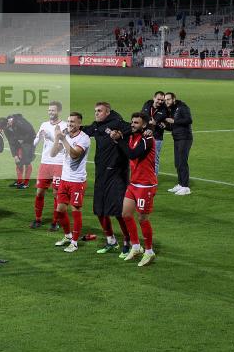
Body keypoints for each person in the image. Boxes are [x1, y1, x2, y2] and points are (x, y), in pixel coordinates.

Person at [83, 102, 132, 255]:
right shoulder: (98, 125)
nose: (96, 113)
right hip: (101, 173)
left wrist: (121, 134)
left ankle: (128, 241)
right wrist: (71, 127)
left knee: (118, 210)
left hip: (117, 173)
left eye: (99, 111)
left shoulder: (118, 123)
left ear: (108, 112)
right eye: (95, 111)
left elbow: (133, 128)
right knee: (99, 209)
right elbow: (87, 130)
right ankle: (111, 240)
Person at [111, 112, 158, 267]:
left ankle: (149, 251)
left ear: (143, 125)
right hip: (134, 183)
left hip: (146, 184)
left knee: (142, 218)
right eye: (132, 122)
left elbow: (132, 154)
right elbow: (122, 134)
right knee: (126, 214)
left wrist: (119, 140)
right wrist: (117, 135)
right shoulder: (131, 136)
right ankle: (136, 246)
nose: (132, 125)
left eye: (136, 123)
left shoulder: (148, 138)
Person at [51, 112, 91, 253]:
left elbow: (74, 155)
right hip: (64, 179)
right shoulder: (66, 135)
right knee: (60, 210)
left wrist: (64, 139)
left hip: (77, 180)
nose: (69, 124)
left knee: (76, 211)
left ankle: (74, 243)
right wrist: (58, 139)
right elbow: (53, 153)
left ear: (79, 123)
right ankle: (68, 236)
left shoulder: (84, 138)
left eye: (73, 122)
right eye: (68, 121)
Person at [31, 101, 68, 229]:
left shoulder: (64, 126)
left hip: (58, 163)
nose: (50, 112)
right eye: (49, 110)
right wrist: (40, 137)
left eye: (53, 110)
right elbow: (35, 142)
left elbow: (62, 144)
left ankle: (55, 222)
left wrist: (50, 137)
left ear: (59, 111)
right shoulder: (44, 124)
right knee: (40, 192)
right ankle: (37, 219)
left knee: (56, 194)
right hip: (45, 163)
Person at [164, 92, 193, 195]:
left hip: (185, 138)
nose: (166, 101)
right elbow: (173, 125)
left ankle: (186, 187)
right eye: (165, 100)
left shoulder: (182, 107)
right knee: (177, 162)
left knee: (182, 162)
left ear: (174, 99)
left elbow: (189, 120)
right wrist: (165, 126)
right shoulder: (172, 109)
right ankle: (180, 184)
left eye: (168, 99)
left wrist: (174, 121)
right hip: (177, 138)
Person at [0, 113, 36, 189]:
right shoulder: (6, 128)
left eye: (5, 127)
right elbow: (10, 141)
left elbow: (31, 132)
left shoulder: (19, 122)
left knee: (26, 161)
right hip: (18, 141)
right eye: (3, 129)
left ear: (8, 122)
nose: (5, 129)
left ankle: (26, 183)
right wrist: (15, 155)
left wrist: (23, 140)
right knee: (18, 161)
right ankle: (19, 181)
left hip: (28, 140)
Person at [140, 91, 169, 174]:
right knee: (142, 158)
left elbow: (155, 120)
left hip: (157, 138)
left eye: (162, 100)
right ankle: (143, 178)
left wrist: (153, 122)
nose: (160, 102)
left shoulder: (164, 109)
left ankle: (153, 181)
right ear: (154, 98)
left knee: (154, 160)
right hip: (144, 136)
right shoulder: (148, 104)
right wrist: (150, 120)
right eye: (158, 99)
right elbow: (143, 115)